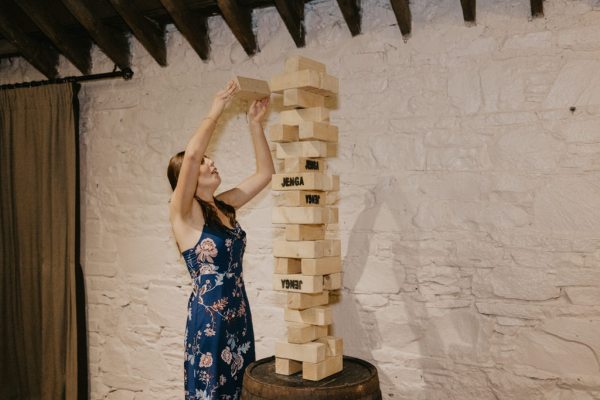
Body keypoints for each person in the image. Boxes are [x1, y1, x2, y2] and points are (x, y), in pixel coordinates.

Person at [167, 80, 274, 399]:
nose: (209, 162)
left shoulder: (224, 206)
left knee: (241, 390)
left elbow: (265, 174)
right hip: (210, 319)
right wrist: (217, 109)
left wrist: (255, 125)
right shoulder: (183, 214)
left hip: (238, 312)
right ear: (186, 178)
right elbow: (190, 157)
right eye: (203, 162)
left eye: (209, 159)